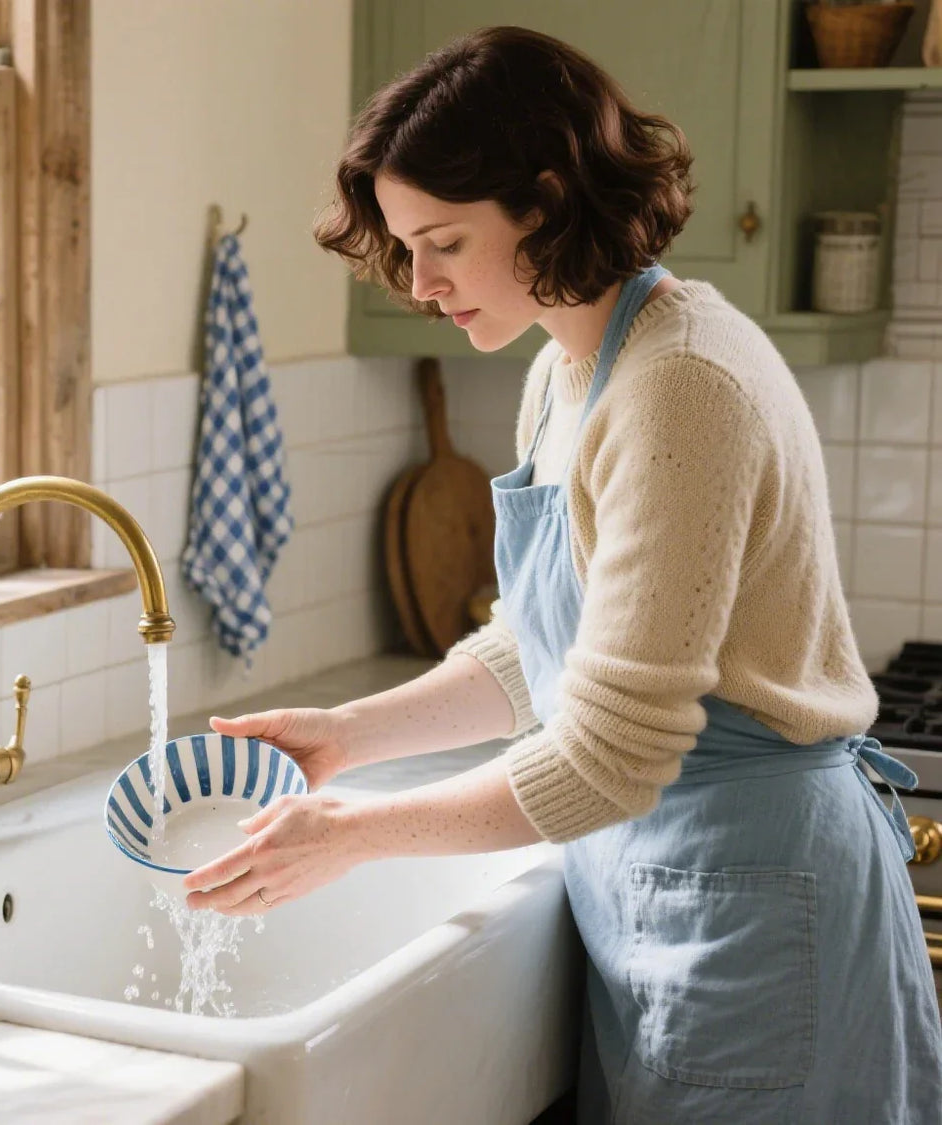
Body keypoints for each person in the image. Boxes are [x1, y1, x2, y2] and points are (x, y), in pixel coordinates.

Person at [180, 25, 942, 1124]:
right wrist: (347, 735)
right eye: (407, 248)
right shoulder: (567, 367)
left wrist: (351, 834)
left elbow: (609, 756)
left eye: (443, 242)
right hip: (665, 889)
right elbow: (544, 647)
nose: (421, 283)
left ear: (542, 202)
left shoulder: (679, 385)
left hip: (755, 903)